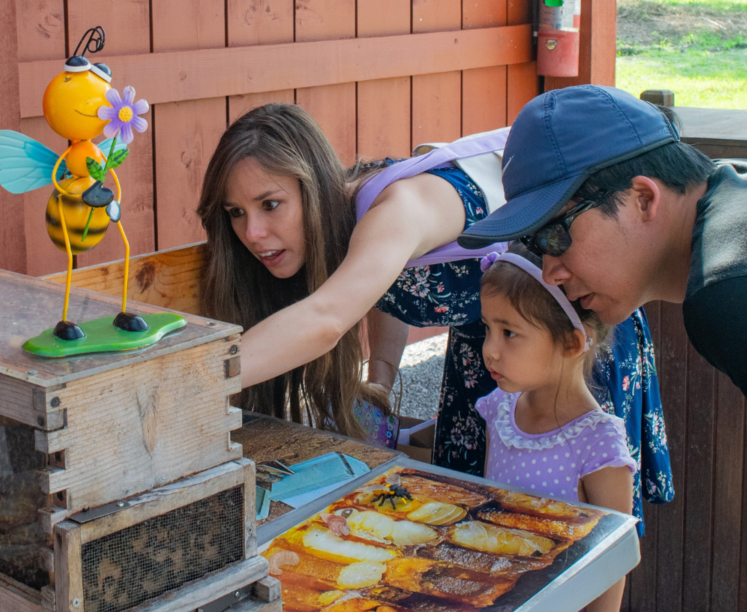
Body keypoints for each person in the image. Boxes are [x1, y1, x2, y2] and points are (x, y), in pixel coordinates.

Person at [197, 104, 672, 530]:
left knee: (569, 526)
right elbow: (377, 291)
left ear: (313, 184)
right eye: (236, 212)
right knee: (475, 529)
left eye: (270, 204)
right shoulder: (346, 216)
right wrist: (380, 380)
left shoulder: (398, 209)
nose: (253, 232)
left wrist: (189, 383)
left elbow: (329, 317)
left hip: (563, 345)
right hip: (489, 350)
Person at [459, 84, 747, 409]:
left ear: (642, 199)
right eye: (533, 244)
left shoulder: (732, 290)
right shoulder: (739, 184)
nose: (550, 273)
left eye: (554, 235)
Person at [455, 245, 637, 612]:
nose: (489, 349)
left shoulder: (598, 446)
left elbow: (613, 564)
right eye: (488, 329)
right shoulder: (500, 409)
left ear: (572, 342)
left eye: (509, 333)